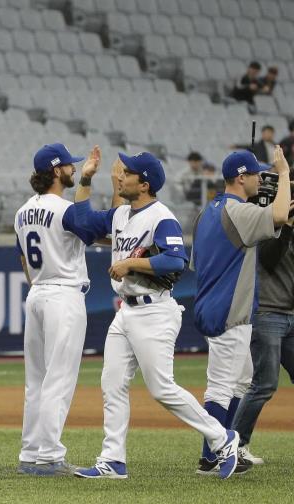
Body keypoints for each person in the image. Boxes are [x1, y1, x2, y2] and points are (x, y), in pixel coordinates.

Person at [71, 151, 241, 480]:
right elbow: (80, 223)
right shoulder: (122, 213)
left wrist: (131, 263)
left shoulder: (161, 216)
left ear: (144, 184)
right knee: (112, 383)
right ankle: (113, 460)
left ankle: (223, 438)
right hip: (126, 313)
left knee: (162, 388)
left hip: (155, 311)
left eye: (128, 173)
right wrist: (86, 179)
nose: (121, 175)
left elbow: (177, 260)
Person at [190, 148, 291, 473]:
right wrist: (285, 173)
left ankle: (220, 449)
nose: (262, 180)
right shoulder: (237, 211)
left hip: (215, 304)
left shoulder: (207, 212)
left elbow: (198, 264)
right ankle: (212, 456)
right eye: (258, 175)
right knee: (221, 387)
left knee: (242, 381)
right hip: (230, 311)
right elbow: (277, 216)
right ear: (240, 177)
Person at [14, 144, 100, 477]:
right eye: (68, 165)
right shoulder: (64, 209)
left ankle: (30, 453)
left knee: (35, 380)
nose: (73, 169)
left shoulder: (23, 211)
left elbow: (21, 256)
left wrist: (38, 283)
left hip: (37, 293)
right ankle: (48, 456)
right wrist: (90, 181)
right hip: (63, 294)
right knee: (58, 379)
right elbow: (90, 227)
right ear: (55, 171)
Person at [232, 183, 294, 464]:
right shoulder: (265, 225)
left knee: (263, 384)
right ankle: (236, 445)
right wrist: (287, 226)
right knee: (264, 384)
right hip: (268, 313)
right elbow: (269, 260)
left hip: (290, 315)